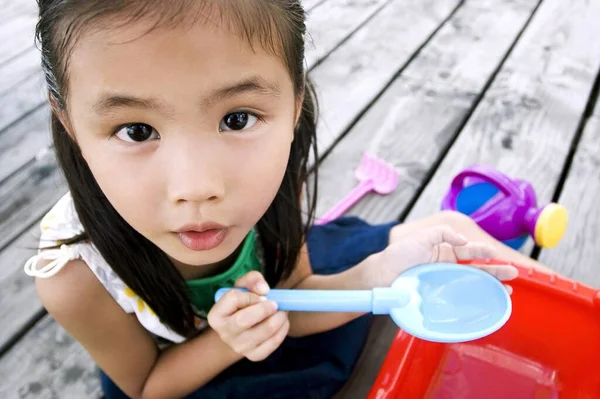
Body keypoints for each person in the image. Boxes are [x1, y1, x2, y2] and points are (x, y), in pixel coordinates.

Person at [23, 1, 551, 398]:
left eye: (237, 119)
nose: (196, 187)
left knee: (440, 246)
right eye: (136, 130)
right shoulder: (74, 279)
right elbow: (146, 386)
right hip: (179, 371)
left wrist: (375, 275)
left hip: (276, 316)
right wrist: (228, 342)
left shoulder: (271, 181)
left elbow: (295, 292)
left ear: (295, 102)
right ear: (69, 124)